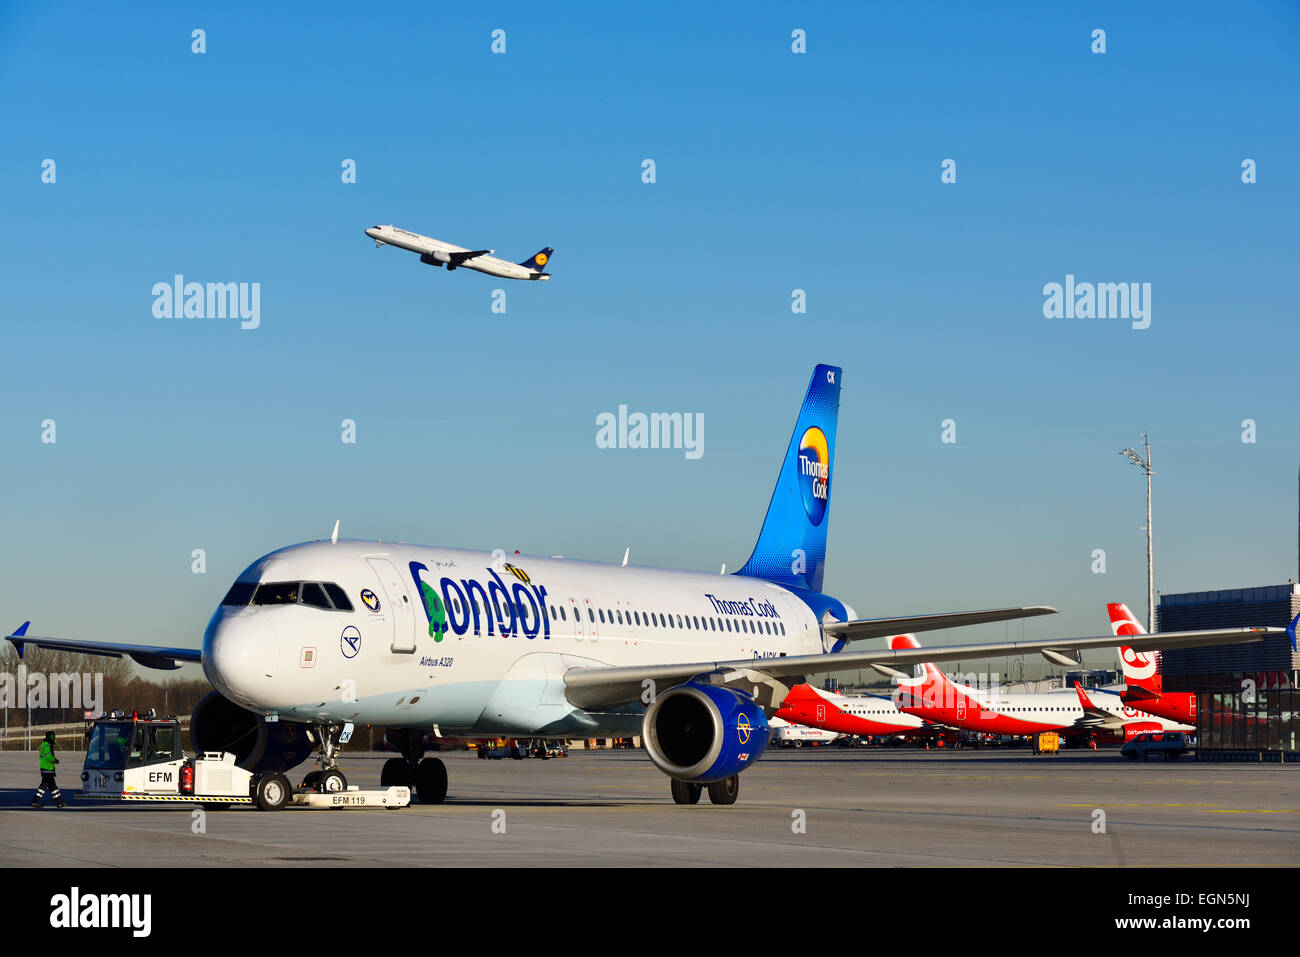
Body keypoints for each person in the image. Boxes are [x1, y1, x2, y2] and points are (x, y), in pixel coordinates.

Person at [32, 731, 67, 809]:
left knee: (53, 787)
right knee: (44, 786)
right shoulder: (47, 745)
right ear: (51, 737)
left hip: (47, 769)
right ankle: (35, 801)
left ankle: (60, 802)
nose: (54, 739)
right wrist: (55, 760)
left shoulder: (44, 744)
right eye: (53, 737)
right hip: (47, 769)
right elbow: (48, 756)